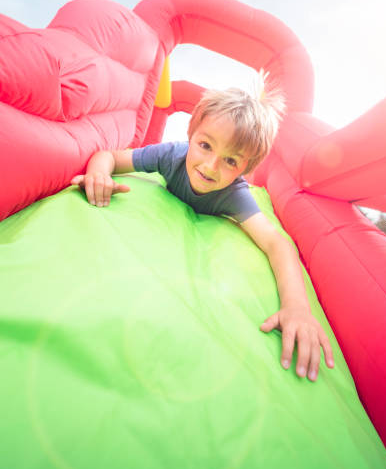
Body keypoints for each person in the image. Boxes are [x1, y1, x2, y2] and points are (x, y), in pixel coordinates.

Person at [71, 76, 334, 382]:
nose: (210, 166)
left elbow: (276, 243)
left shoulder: (235, 195)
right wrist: (99, 175)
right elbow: (109, 157)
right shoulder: (172, 156)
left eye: (230, 161)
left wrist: (296, 307)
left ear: (246, 169)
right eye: (205, 145)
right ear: (191, 134)